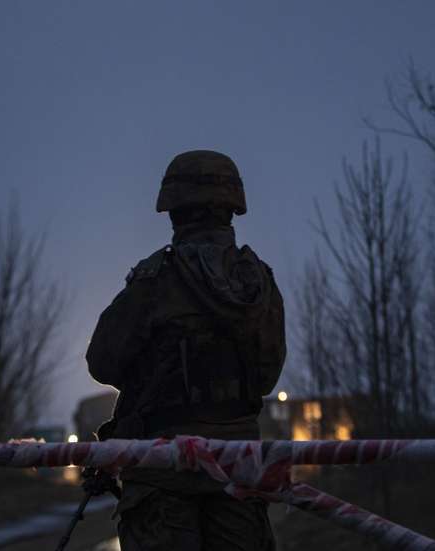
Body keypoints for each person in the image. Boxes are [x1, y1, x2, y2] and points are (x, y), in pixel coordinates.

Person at [86, 150, 286, 551]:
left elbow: (102, 362)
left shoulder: (154, 280)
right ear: (233, 209)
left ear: (173, 210)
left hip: (163, 475)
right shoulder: (257, 283)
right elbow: (266, 377)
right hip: (237, 469)